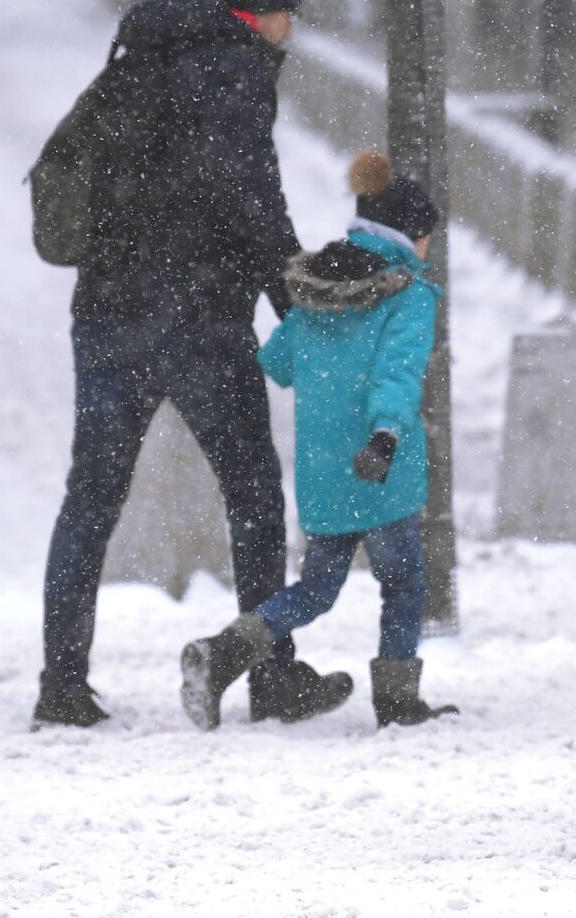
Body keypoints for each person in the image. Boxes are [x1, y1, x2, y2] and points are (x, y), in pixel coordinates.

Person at [34, 0, 351, 728]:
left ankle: (61, 685)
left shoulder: (139, 58)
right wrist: (297, 309)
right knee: (252, 492)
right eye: (286, 13)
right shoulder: (235, 72)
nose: (290, 28)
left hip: (107, 310)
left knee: (90, 499)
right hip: (198, 317)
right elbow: (251, 199)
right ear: (261, 13)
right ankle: (271, 674)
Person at [180, 152, 457, 730]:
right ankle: (397, 701)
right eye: (426, 236)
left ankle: (222, 653)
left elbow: (278, 363)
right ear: (410, 235)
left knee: (316, 590)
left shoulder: (321, 288)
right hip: (381, 469)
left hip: (325, 473)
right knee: (404, 583)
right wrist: (384, 435)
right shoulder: (409, 295)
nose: (428, 247)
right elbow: (398, 373)